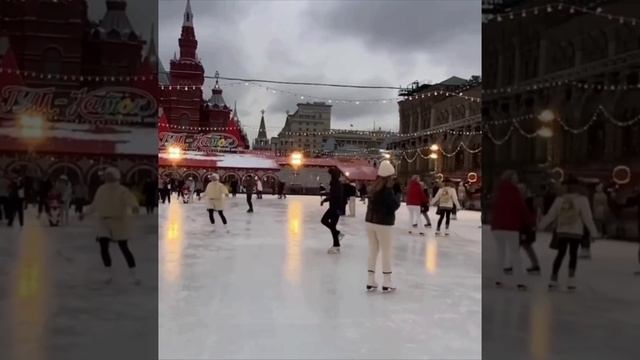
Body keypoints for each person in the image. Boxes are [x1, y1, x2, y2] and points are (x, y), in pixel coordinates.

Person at [538, 176, 599, 291]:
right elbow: (587, 218)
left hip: (562, 230)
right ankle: (571, 280)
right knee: (573, 254)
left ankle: (553, 279)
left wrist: (541, 225)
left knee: (560, 254)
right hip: (576, 231)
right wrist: (594, 233)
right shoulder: (582, 199)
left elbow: (551, 214)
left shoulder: (560, 198)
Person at [80, 167, 140, 285]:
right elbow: (95, 204)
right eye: (106, 175)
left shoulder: (122, 190)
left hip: (118, 222)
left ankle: (134, 274)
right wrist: (85, 213)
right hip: (103, 222)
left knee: (123, 247)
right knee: (103, 246)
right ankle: (109, 273)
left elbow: (130, 200)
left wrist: (134, 207)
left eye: (109, 175)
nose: (107, 177)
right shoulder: (101, 189)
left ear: (115, 177)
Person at [490, 171, 534, 290]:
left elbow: (494, 208)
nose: (517, 180)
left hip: (497, 228)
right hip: (511, 228)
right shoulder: (515, 192)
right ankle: (520, 282)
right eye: (515, 178)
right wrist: (530, 223)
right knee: (515, 255)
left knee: (500, 254)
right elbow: (522, 208)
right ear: (511, 179)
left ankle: (498, 280)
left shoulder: (498, 191)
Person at [365, 160, 400, 292]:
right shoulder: (387, 190)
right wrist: (397, 194)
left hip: (370, 222)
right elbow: (394, 206)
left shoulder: (373, 188)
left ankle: (370, 280)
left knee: (373, 250)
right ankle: (387, 281)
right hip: (384, 223)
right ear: (390, 176)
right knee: (386, 251)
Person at [321, 167, 345, 254]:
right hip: (335, 207)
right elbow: (333, 195)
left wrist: (326, 199)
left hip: (335, 208)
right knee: (331, 225)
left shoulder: (336, 184)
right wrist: (326, 199)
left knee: (326, 222)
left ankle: (336, 245)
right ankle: (337, 238)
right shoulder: (335, 183)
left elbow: (335, 196)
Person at [517, 183, 540, 275]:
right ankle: (535, 265)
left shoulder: (529, 201)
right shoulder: (525, 200)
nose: (520, 191)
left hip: (526, 227)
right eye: (519, 189)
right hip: (524, 227)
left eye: (521, 189)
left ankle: (534, 265)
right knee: (525, 246)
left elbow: (531, 214)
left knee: (522, 245)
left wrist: (532, 225)